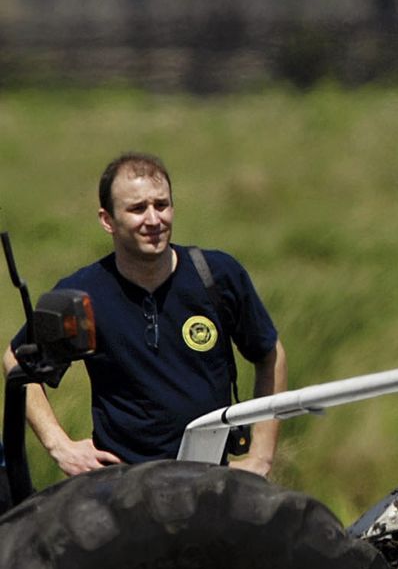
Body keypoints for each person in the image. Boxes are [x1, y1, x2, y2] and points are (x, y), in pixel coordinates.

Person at [2, 153, 285, 477]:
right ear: (107, 220)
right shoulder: (83, 294)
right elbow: (16, 360)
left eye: (161, 205)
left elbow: (270, 354)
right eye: (137, 209)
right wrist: (58, 445)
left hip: (212, 480)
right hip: (122, 487)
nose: (154, 220)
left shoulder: (217, 276)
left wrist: (261, 457)